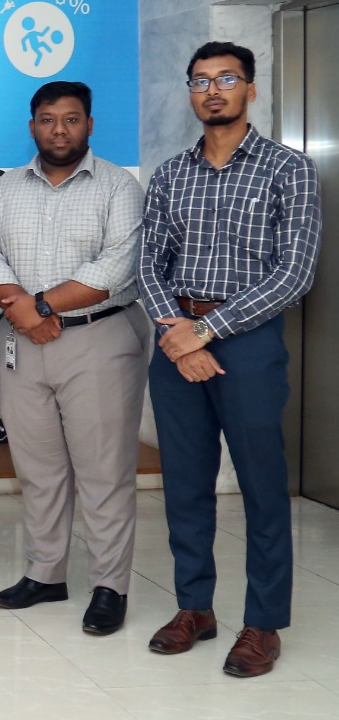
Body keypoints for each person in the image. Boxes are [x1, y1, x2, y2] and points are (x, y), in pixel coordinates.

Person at [141, 42, 321, 677]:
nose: (212, 91)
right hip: (175, 336)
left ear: (250, 88)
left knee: (262, 486)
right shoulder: (170, 174)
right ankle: (194, 608)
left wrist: (206, 331)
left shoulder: (288, 169)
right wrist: (177, 333)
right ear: (190, 92)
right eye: (200, 81)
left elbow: (294, 273)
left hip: (247, 342)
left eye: (226, 79)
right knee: (185, 484)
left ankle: (262, 623)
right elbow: (148, 264)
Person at [0, 80, 149, 635]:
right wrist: (25, 314)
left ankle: (109, 586)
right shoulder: (6, 189)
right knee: (38, 468)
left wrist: (40, 305)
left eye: (71, 119)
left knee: (103, 471)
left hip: (98, 338)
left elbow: (117, 265)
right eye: (48, 120)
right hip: (22, 343)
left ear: (89, 125)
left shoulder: (118, 186)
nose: (59, 130)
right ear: (33, 126)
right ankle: (46, 573)